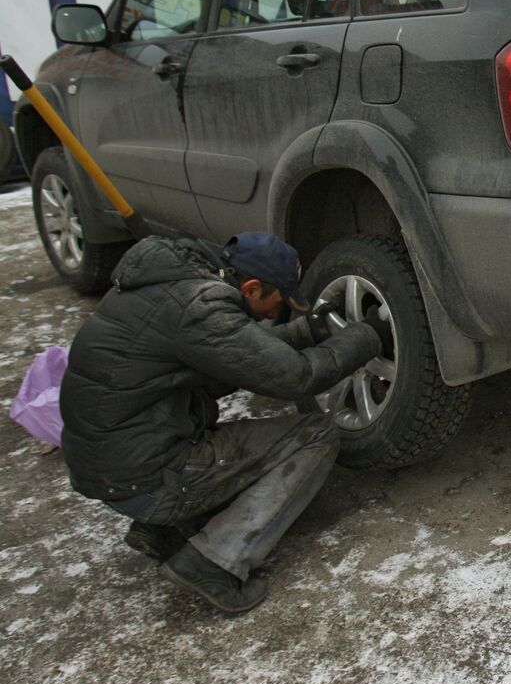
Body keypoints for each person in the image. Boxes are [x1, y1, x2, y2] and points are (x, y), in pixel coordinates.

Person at [59, 231, 384, 614]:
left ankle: (164, 528)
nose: (276, 311)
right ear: (250, 287)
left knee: (203, 426)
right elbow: (297, 378)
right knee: (316, 434)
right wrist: (366, 337)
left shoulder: (168, 289)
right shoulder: (202, 310)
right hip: (144, 476)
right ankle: (215, 562)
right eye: (277, 300)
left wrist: (303, 332)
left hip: (111, 468)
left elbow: (227, 366)